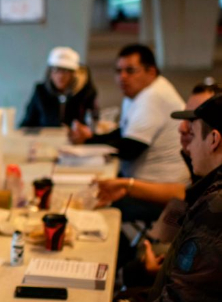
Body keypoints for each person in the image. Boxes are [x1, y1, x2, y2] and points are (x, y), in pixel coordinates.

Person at [70, 44, 187, 222]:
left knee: (92, 204)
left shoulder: (153, 97)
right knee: (88, 188)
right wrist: (90, 139)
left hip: (161, 194)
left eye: (130, 71)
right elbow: (124, 133)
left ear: (151, 72)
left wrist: (89, 143)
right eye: (118, 70)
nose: (122, 77)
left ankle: (124, 250)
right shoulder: (139, 94)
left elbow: (131, 149)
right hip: (144, 183)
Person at [145, 93, 222, 301]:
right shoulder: (221, 185)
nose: (187, 142)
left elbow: (184, 296)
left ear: (214, 139)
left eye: (194, 134)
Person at [20, 46, 97, 128]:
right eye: (56, 70)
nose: (60, 76)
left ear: (74, 74)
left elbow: (93, 121)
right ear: (49, 72)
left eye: (65, 71)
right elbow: (27, 123)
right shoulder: (40, 91)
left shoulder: (86, 93)